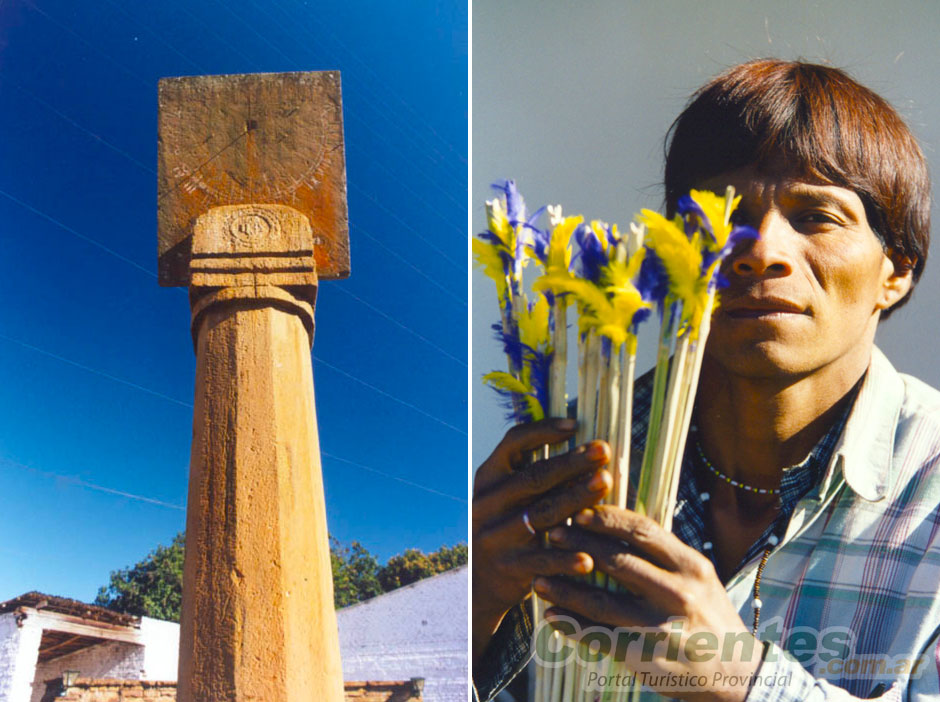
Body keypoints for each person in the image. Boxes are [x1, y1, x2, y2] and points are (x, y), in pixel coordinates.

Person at [472, 59, 940, 701]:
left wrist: (742, 680)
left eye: (816, 216)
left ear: (897, 270)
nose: (760, 249)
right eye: (719, 215)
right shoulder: (564, 464)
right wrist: (470, 616)